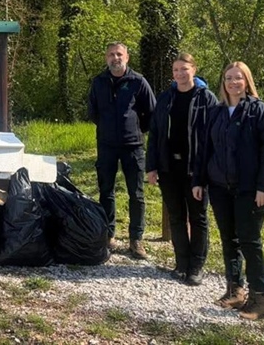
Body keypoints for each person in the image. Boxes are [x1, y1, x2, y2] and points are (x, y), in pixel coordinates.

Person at [192, 61, 264, 320]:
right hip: (220, 187)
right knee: (229, 239)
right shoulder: (216, 112)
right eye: (229, 78)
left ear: (247, 81)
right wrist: (199, 180)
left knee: (250, 242)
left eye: (238, 78)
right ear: (223, 82)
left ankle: (259, 299)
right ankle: (235, 290)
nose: (233, 82)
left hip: (249, 190)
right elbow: (204, 149)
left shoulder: (258, 111)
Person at [146, 53, 218, 285]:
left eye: (184, 69)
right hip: (169, 169)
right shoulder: (166, 98)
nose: (179, 74)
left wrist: (208, 171)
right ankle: (181, 263)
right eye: (176, 70)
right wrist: (152, 167)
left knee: (198, 217)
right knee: (176, 217)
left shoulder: (206, 99)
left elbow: (214, 137)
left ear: (194, 70)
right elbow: (155, 133)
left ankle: (196, 266)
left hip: (196, 171)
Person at [87, 41, 156, 259]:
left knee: (136, 193)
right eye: (111, 55)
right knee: (106, 191)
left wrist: (135, 130)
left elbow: (151, 113)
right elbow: (93, 112)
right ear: (106, 58)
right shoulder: (98, 82)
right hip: (106, 145)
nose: (115, 58)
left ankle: (136, 239)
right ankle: (109, 236)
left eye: (119, 54)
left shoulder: (138, 82)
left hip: (133, 146)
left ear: (127, 57)